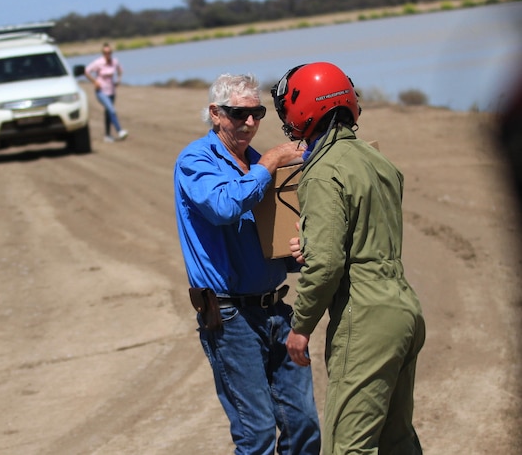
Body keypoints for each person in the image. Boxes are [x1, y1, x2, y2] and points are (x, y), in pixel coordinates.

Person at [272, 62, 426, 454]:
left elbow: (326, 263)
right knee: (398, 441)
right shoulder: (378, 162)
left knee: (348, 447)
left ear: (303, 108)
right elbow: (361, 234)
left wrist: (301, 326)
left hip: (366, 315)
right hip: (404, 307)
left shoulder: (322, 172)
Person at [173, 73, 321, 454]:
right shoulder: (195, 160)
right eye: (240, 114)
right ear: (215, 114)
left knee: (303, 425)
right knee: (255, 434)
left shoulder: (256, 164)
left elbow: (272, 241)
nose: (251, 122)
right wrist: (272, 160)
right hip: (230, 317)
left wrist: (300, 252)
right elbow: (224, 206)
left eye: (257, 113)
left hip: (276, 309)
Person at [84, 43, 128, 142]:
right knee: (111, 110)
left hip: (111, 91)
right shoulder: (98, 62)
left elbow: (120, 70)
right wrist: (95, 81)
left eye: (109, 52)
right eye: (105, 53)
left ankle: (107, 135)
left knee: (108, 112)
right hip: (101, 92)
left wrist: (118, 80)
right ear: (103, 53)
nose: (107, 54)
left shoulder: (115, 61)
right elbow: (86, 71)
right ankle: (120, 130)